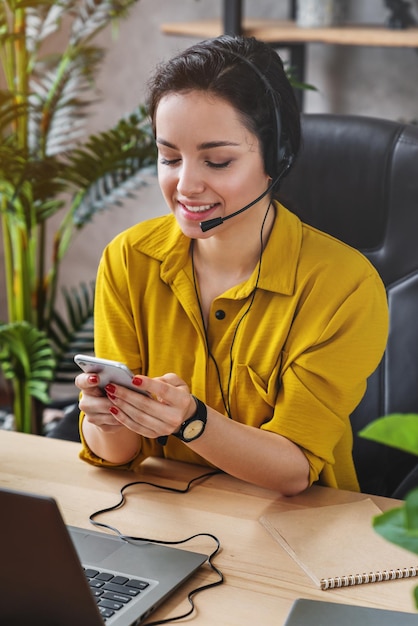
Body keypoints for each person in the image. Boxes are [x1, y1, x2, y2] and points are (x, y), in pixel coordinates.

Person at [76, 35, 388, 496]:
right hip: (165, 519)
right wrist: (105, 416)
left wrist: (191, 420)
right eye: (169, 158)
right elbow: (119, 452)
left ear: (276, 158)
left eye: (217, 161)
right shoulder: (130, 258)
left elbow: (294, 470)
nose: (185, 185)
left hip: (294, 531)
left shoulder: (345, 286)